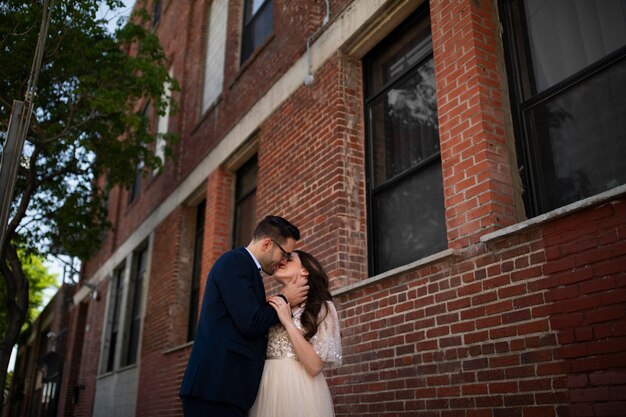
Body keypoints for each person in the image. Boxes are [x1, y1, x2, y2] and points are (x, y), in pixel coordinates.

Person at [179, 215, 309, 417]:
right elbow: (250, 321)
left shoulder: (247, 269)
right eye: (285, 254)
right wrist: (285, 299)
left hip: (227, 389)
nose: (283, 262)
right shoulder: (235, 263)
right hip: (215, 388)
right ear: (267, 244)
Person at [249, 250, 342, 417]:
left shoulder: (322, 308)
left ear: (305, 270)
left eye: (289, 259)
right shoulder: (271, 304)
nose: (281, 262)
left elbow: (314, 367)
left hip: (300, 389)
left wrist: (287, 321)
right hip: (266, 386)